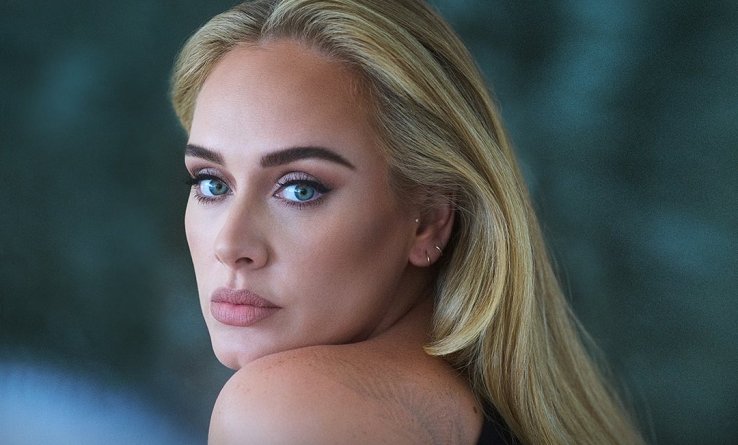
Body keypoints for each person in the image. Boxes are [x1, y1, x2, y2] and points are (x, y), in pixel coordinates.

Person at [170, 0, 645, 443]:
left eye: (300, 189)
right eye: (212, 183)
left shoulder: (283, 411)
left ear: (430, 221)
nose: (230, 245)